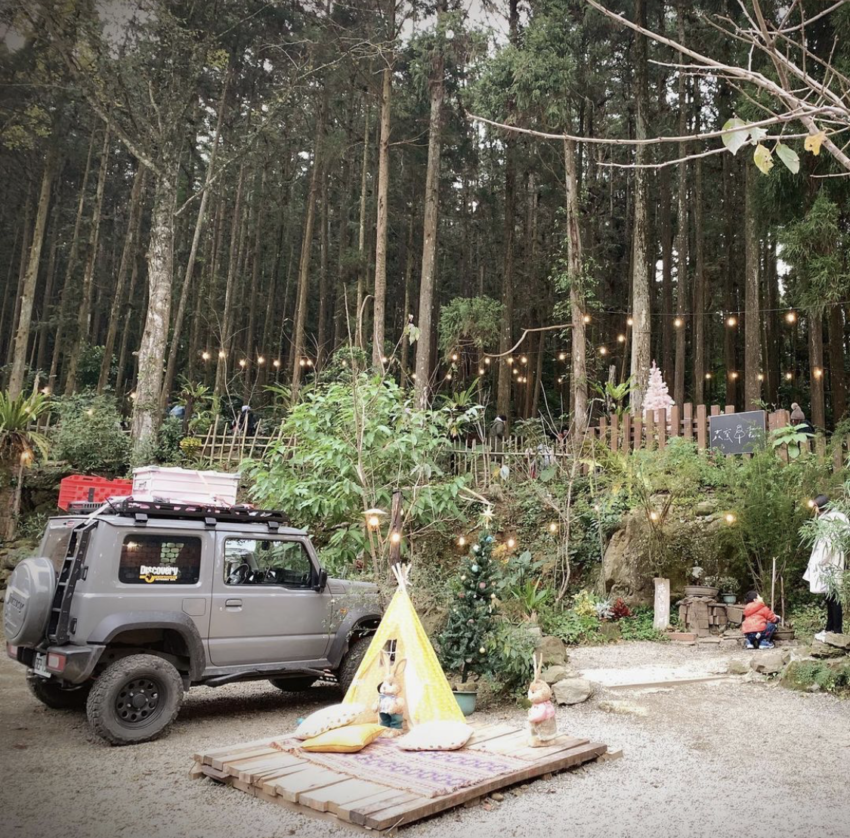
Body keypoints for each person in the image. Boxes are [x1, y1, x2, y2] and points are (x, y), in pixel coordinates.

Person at [804, 494, 848, 640]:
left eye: (815, 506)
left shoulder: (832, 520)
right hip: (829, 563)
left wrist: (820, 561)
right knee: (829, 596)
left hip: (830, 563)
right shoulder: (831, 518)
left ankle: (837, 631)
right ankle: (830, 628)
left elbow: (828, 545)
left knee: (833, 596)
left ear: (819, 507)